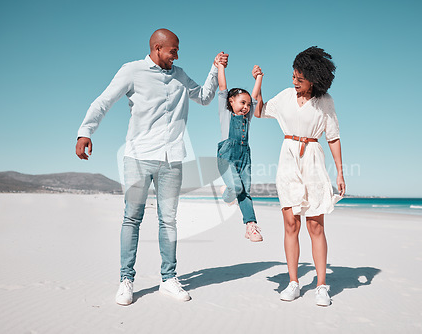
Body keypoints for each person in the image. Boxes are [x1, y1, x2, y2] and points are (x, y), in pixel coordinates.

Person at [75, 28, 228, 305]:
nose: (177, 55)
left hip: (172, 159)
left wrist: (214, 68)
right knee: (132, 217)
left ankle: (168, 279)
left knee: (168, 220)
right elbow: (104, 101)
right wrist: (86, 131)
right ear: (158, 48)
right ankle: (126, 280)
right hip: (138, 157)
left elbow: (204, 97)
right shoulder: (132, 71)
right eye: (173, 50)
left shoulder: (180, 75)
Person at [254, 46, 345, 306]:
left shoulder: (325, 101)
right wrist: (258, 82)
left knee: (315, 225)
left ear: (314, 78)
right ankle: (293, 282)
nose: (294, 82)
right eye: (293, 76)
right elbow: (259, 111)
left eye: (300, 79)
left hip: (314, 159)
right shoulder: (284, 96)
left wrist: (339, 171)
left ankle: (321, 285)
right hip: (288, 159)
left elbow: (333, 137)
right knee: (290, 224)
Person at [215, 57, 264, 242]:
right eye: (241, 102)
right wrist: (221, 67)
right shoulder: (225, 113)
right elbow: (222, 87)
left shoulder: (247, 118)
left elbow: (255, 96)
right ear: (231, 102)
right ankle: (227, 195)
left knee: (245, 191)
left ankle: (250, 226)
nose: (245, 106)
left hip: (245, 157)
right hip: (226, 156)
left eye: (247, 104)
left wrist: (258, 77)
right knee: (235, 187)